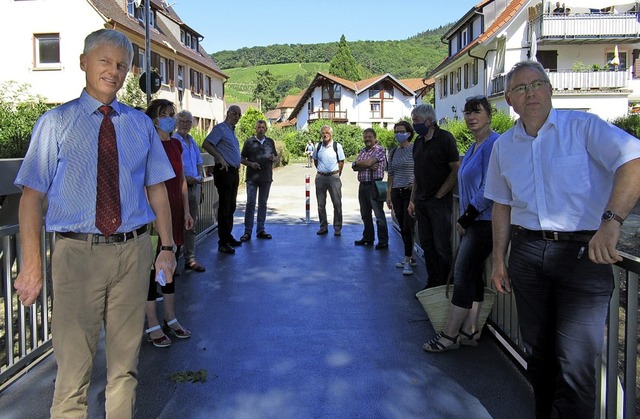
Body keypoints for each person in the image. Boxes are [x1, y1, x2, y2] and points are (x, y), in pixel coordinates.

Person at [13, 29, 176, 418]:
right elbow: (31, 197)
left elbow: (157, 190)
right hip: (76, 256)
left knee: (125, 369)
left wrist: (166, 248)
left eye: (121, 65)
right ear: (84, 62)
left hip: (133, 253)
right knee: (72, 374)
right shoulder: (55, 123)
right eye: (104, 61)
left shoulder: (140, 125)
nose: (113, 71)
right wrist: (32, 265)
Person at [485, 60, 640, 418]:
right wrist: (498, 259)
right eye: (521, 88)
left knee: (576, 363)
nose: (531, 93)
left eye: (537, 84)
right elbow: (501, 205)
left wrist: (612, 222)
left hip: (583, 256)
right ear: (509, 98)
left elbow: (633, 161)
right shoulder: (503, 147)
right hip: (526, 253)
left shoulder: (583, 127)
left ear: (550, 88)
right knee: (538, 358)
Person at [422, 96, 499, 352]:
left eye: (476, 111)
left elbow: (490, 187)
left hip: (485, 222)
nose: (470, 117)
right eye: (467, 113)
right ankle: (471, 330)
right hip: (474, 221)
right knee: (473, 274)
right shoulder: (475, 146)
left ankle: (450, 335)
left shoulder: (493, 144)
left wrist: (466, 217)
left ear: (489, 114)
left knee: (463, 273)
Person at [144, 99, 194, 348]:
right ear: (154, 119)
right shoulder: (147, 144)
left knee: (170, 268)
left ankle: (171, 318)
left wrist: (186, 211)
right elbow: (145, 183)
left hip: (174, 212)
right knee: (152, 271)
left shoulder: (176, 145)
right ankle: (152, 323)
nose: (171, 118)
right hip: (155, 217)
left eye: (172, 114)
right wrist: (152, 217)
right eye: (165, 114)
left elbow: (182, 179)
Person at [408, 104, 460, 288]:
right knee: (427, 246)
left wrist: (439, 195)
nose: (414, 124)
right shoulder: (418, 142)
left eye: (416, 120)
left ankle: (446, 285)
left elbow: (456, 169)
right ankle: (432, 283)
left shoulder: (445, 139)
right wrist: (412, 200)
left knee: (441, 247)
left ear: (429, 121)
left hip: (439, 203)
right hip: (421, 202)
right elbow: (417, 173)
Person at [203, 105, 243, 254]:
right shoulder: (221, 128)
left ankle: (228, 236)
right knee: (225, 207)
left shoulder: (231, 131)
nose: (236, 116)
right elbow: (206, 143)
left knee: (231, 206)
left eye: (239, 114)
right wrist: (219, 157)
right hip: (224, 171)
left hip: (233, 171)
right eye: (234, 113)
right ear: (228, 113)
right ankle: (223, 242)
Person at [175, 110, 206, 272]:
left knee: (191, 224)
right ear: (176, 122)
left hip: (194, 187)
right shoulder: (174, 140)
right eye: (182, 121)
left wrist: (200, 176)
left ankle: (190, 259)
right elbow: (173, 167)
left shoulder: (192, 140)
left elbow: (199, 162)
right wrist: (187, 178)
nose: (185, 125)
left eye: (188, 122)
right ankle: (174, 263)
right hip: (180, 188)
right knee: (177, 225)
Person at [387, 121, 417, 275]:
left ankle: (408, 258)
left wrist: (415, 186)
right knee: (402, 225)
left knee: (408, 226)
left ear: (409, 133)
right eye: (396, 131)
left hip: (409, 192)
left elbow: (419, 170)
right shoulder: (393, 152)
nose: (399, 134)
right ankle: (409, 256)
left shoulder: (415, 149)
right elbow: (391, 175)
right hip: (397, 192)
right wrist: (388, 195)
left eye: (402, 131)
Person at [240, 119, 278, 241]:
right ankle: (247, 232)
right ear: (255, 129)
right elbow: (241, 158)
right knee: (250, 204)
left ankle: (260, 230)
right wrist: (251, 164)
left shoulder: (270, 142)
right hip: (252, 178)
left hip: (266, 178)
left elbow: (276, 157)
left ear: (266, 129)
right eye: (259, 127)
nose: (261, 129)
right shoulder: (249, 142)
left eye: (263, 127)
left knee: (263, 204)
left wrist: (274, 158)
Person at [351, 128, 389, 249]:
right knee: (365, 214)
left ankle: (383, 240)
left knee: (378, 215)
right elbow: (354, 167)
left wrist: (360, 164)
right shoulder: (363, 151)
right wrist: (360, 164)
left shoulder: (380, 150)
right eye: (365, 137)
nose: (367, 139)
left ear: (375, 138)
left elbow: (366, 163)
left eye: (369, 137)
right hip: (362, 185)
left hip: (375, 184)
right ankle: (368, 237)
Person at [313, 125, 346, 236]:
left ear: (331, 134)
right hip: (320, 177)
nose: (325, 135)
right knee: (320, 204)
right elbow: (315, 160)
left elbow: (341, 161)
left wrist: (337, 174)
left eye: (327, 132)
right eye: (323, 133)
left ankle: (337, 228)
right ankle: (323, 226)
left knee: (337, 204)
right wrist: (321, 170)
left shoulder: (337, 146)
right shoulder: (317, 146)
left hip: (334, 177)